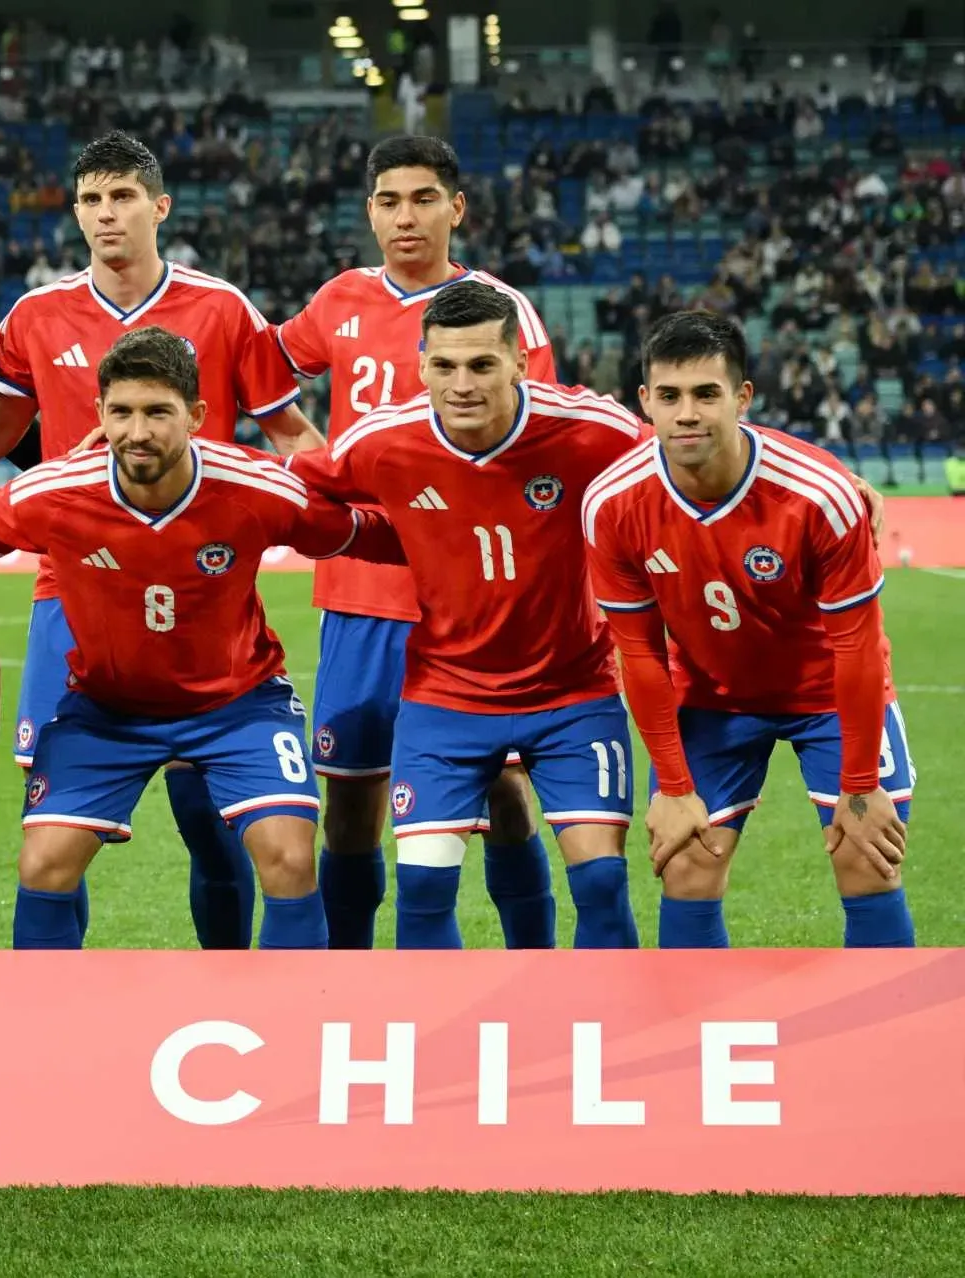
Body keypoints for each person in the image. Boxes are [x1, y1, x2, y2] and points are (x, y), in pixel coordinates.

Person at [0, 131, 323, 952]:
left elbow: (291, 435)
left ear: (159, 207)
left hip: (199, 585)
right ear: (75, 212)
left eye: (124, 196)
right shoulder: (36, 316)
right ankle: (66, 1000)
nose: (108, 214)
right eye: (93, 199)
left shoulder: (222, 310)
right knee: (58, 839)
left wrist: (379, 505)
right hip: (74, 588)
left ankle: (230, 983)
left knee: (212, 821)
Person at [0, 327, 402, 950]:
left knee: (288, 858)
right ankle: (45, 1010)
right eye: (121, 412)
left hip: (240, 705)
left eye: (157, 412)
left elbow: (368, 534)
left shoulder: (254, 488)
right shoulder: (55, 493)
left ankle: (299, 1009)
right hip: (105, 712)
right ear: (98, 413)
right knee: (42, 864)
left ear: (196, 416)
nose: (137, 431)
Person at [287, 281, 644, 950]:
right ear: (421, 365)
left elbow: (683, 461)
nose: (462, 385)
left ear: (519, 362)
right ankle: (420, 1020)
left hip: (572, 692)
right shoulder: (385, 439)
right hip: (445, 697)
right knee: (422, 889)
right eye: (445, 366)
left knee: (601, 881)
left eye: (482, 365)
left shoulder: (592, 430)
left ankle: (588, 1008)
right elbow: (289, 485)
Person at [273, 135, 559, 951]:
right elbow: (257, 373)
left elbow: (541, 438)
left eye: (424, 199)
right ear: (370, 212)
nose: (407, 217)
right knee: (351, 801)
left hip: (469, 596)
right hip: (361, 591)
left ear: (455, 208)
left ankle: (536, 967)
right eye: (390, 201)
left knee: (503, 792)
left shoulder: (499, 310)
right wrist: (306, 450)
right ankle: (349, 977)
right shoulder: (340, 300)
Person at [583, 310, 914, 948]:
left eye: (707, 394)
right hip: (712, 695)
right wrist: (673, 787)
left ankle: (890, 1013)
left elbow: (857, 646)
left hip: (828, 691)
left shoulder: (818, 494)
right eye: (670, 396)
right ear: (645, 400)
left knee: (867, 858)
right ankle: (693, 1013)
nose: (687, 414)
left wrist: (859, 787)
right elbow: (640, 656)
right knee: (687, 864)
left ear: (742, 397)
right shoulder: (614, 503)